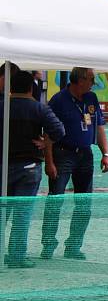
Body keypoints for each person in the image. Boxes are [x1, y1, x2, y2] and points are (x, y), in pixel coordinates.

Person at [41, 67, 108, 260]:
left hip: (85, 155)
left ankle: (73, 245)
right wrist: (49, 161)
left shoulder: (91, 98)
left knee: (84, 203)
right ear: (80, 80)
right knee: (55, 201)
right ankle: (48, 245)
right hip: (62, 153)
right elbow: (48, 134)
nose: (93, 83)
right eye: (91, 79)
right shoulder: (58, 100)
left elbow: (99, 126)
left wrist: (105, 153)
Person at [0, 72, 65, 268]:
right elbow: (59, 130)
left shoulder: (2, 106)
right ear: (31, 88)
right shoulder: (39, 108)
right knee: (23, 214)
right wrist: (45, 141)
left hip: (2, 167)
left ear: (11, 87)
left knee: (2, 214)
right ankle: (17, 256)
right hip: (29, 167)